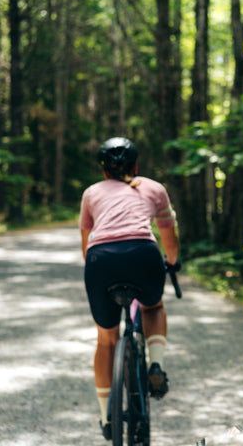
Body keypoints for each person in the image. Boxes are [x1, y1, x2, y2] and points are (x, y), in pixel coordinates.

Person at [79, 137, 180, 440]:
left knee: (106, 340)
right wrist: (172, 263)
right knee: (154, 306)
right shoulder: (154, 188)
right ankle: (157, 366)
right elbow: (169, 241)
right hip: (143, 255)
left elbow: (86, 248)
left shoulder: (91, 193)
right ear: (136, 166)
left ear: (103, 170)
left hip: (101, 261)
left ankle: (105, 416)